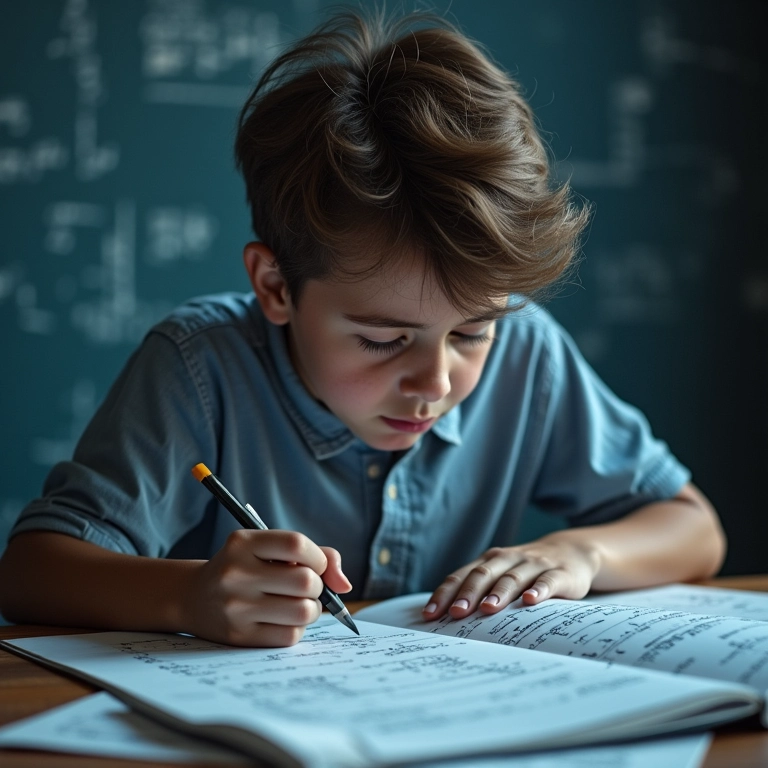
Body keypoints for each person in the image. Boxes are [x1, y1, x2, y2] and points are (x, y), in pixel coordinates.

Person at [0, 10, 725, 647]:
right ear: (276, 286)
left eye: (472, 333)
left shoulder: (527, 350)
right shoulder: (199, 366)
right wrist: (188, 594)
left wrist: (583, 553)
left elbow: (695, 529)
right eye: (383, 339)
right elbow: (32, 573)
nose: (436, 383)